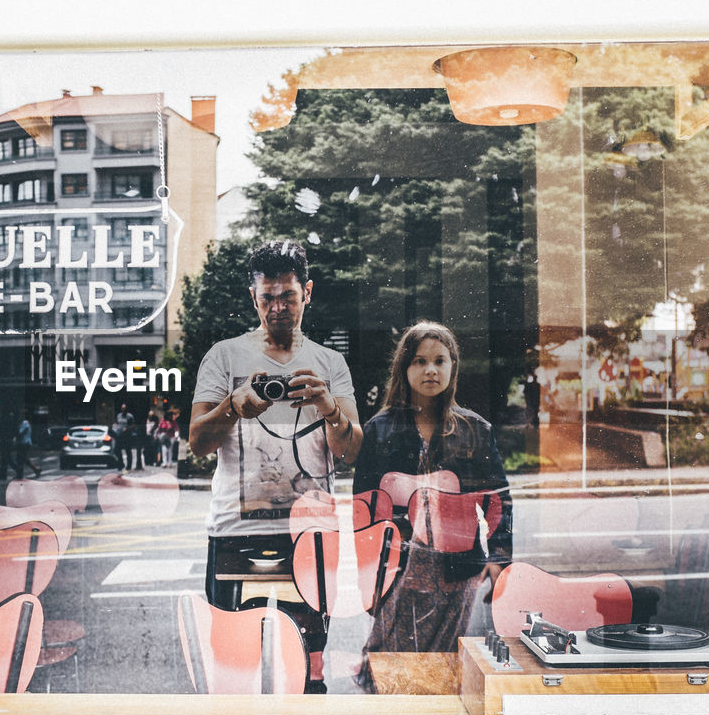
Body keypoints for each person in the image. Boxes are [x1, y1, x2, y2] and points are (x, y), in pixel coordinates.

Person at [189, 239, 362, 690]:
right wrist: (234, 404)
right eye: (268, 297)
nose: (278, 307)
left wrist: (327, 405)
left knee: (310, 671)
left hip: (310, 532)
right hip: (234, 530)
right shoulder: (224, 357)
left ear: (308, 291)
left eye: (288, 295)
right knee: (231, 669)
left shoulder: (330, 362)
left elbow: (352, 452)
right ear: (253, 297)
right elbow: (197, 443)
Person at [352, 321, 512, 662]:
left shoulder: (475, 429)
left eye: (440, 361)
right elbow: (362, 509)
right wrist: (367, 575)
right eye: (420, 361)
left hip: (457, 572)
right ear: (404, 368)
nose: (430, 370)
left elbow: (499, 500)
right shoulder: (379, 430)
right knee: (386, 661)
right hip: (396, 571)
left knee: (442, 663)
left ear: (452, 366)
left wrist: (498, 558)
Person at [112, 403, 136, 470]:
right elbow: (116, 423)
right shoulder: (119, 415)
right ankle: (121, 464)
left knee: (128, 450)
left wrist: (127, 428)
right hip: (119, 435)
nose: (123, 410)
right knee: (117, 450)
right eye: (122, 409)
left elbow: (133, 425)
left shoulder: (130, 416)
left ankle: (129, 466)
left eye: (124, 409)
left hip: (127, 436)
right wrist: (115, 425)